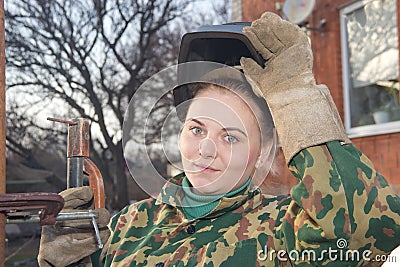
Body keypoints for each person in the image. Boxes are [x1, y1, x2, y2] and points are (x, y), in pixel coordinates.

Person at [38, 12, 400, 266]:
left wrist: (295, 97)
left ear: (261, 155)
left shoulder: (285, 231)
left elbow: (368, 232)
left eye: (230, 137)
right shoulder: (129, 225)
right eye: (197, 129)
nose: (205, 149)